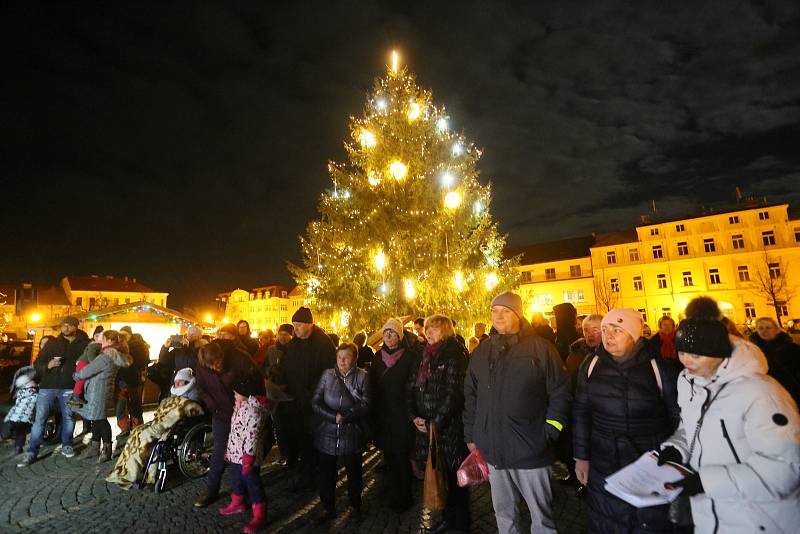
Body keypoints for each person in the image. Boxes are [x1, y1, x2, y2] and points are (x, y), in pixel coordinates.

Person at [659, 303, 800, 533]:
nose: (685, 361)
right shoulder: (688, 380)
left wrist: (706, 482)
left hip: (760, 518)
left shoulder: (760, 392)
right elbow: (692, 426)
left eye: (695, 354)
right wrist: (676, 448)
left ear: (717, 352)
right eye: (681, 352)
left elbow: (785, 470)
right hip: (711, 514)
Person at [464, 292, 571, 534]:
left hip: (530, 451)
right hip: (493, 450)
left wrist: (550, 430)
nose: (498, 316)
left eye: (505, 311)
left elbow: (561, 391)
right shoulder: (482, 352)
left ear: (518, 315)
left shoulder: (540, 349)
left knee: (541, 518)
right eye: (494, 311)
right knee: (503, 514)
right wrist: (471, 435)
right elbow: (470, 395)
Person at [572, 308, 682, 532]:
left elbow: (677, 418)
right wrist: (581, 457)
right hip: (604, 458)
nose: (608, 336)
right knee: (606, 518)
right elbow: (581, 411)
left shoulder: (659, 368)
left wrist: (675, 459)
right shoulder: (590, 365)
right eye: (605, 330)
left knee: (648, 521)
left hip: (649, 458)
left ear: (634, 334)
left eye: (617, 330)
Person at [408, 315, 470, 532]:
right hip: (426, 427)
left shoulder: (454, 353)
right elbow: (412, 387)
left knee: (455, 479)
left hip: (448, 429)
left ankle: (460, 525)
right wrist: (414, 415)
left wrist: (436, 422)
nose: (429, 332)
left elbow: (454, 393)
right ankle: (447, 519)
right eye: (427, 328)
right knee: (439, 475)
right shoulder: (423, 354)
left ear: (445, 330)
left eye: (434, 328)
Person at [193, 327, 265, 508]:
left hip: (243, 412)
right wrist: (212, 405)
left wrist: (244, 396)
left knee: (247, 454)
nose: (217, 368)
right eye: (212, 367)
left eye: (218, 364)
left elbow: (257, 381)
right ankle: (212, 489)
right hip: (221, 415)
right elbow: (201, 388)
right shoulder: (202, 364)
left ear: (222, 356)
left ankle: (250, 492)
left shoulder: (239, 357)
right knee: (220, 451)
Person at [106, 368, 204, 489]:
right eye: (176, 381)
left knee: (146, 436)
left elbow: (187, 409)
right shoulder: (174, 393)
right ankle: (126, 470)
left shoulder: (193, 395)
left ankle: (136, 473)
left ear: (188, 382)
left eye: (180, 381)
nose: (177, 384)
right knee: (137, 432)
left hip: (174, 425)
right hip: (161, 421)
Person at [271, 307, 335, 490]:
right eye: (294, 325)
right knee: (301, 437)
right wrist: (279, 381)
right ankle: (305, 470)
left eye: (298, 325)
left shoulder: (323, 344)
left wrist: (315, 395)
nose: (295, 329)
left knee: (315, 440)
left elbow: (329, 373)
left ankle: (317, 475)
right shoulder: (294, 344)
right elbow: (285, 366)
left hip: (315, 402)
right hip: (295, 400)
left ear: (310, 324)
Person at [18, 316, 89, 467]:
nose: (66, 328)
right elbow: (37, 364)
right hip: (48, 386)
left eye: (69, 325)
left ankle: (67, 444)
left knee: (68, 417)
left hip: (70, 386)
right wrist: (47, 366)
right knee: (40, 419)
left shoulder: (84, 344)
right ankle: (32, 451)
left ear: (76, 326)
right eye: (64, 325)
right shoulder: (52, 343)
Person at [312, 343, 371, 522]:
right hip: (327, 432)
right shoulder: (327, 375)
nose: (342, 361)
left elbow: (367, 403)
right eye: (339, 357)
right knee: (326, 474)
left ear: (354, 359)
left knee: (354, 473)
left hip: (352, 432)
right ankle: (328, 507)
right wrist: (332, 417)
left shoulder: (362, 377)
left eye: (346, 357)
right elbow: (316, 401)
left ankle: (355, 505)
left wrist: (345, 417)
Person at [369, 317, 421, 512]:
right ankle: (391, 494)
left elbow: (414, 386)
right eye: (386, 332)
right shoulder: (377, 358)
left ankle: (404, 497)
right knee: (389, 457)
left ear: (399, 336)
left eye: (392, 332)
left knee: (402, 457)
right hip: (383, 416)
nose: (388, 336)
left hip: (402, 416)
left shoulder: (409, 357)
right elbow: (372, 386)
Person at [218, 372, 270, 534]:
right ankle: (238, 502)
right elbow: (235, 431)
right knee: (236, 479)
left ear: (247, 393)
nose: (234, 394)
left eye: (236, 392)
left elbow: (252, 437)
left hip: (249, 457)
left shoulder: (254, 412)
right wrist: (229, 449)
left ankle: (259, 513)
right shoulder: (240, 406)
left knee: (253, 484)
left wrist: (248, 458)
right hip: (236, 454)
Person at [73, 330, 133, 462]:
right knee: (97, 418)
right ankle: (95, 447)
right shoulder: (113, 354)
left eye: (103, 339)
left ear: (110, 341)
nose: (101, 342)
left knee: (100, 420)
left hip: (98, 391)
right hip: (101, 389)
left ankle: (105, 450)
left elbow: (89, 370)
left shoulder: (107, 356)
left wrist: (77, 375)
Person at [749, 317, 800, 405]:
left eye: (768, 328)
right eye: (760, 328)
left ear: (777, 330)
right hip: (765, 396)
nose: (764, 331)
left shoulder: (792, 348)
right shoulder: (752, 350)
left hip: (791, 393)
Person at [115, 327, 149, 434]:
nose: (122, 337)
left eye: (125, 334)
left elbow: (143, 361)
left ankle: (137, 428)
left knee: (135, 405)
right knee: (120, 407)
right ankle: (124, 428)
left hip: (133, 381)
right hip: (120, 381)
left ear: (130, 334)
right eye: (120, 335)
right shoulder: (118, 346)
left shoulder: (138, 346)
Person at [2, 366, 37, 454]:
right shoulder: (35, 394)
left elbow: (17, 404)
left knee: (8, 429)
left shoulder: (20, 393)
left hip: (15, 417)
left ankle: (3, 437)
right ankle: (18, 447)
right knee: (21, 432)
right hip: (25, 419)